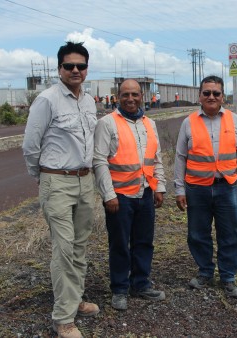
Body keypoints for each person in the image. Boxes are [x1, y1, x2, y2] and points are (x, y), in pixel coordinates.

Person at [22, 41, 98, 338]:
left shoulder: (89, 101)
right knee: (64, 248)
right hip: (57, 181)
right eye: (69, 66)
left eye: (81, 65)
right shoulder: (47, 100)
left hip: (84, 180)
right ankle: (63, 319)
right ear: (59, 69)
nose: (75, 70)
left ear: (86, 69)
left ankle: (75, 300)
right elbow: (30, 145)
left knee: (79, 247)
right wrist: (42, 177)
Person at [173, 75, 237, 298]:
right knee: (198, 234)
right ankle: (205, 271)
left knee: (230, 233)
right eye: (206, 93)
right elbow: (180, 157)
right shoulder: (188, 122)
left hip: (227, 186)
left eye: (216, 93)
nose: (211, 97)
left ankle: (228, 277)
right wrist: (179, 189)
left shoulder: (234, 120)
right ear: (199, 96)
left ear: (222, 97)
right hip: (196, 188)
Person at [93, 79, 167, 311]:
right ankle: (120, 289)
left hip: (145, 193)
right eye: (125, 95)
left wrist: (159, 187)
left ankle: (141, 283)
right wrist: (108, 194)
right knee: (119, 244)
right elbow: (99, 161)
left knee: (144, 242)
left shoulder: (150, 124)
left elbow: (156, 158)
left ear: (142, 96)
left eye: (135, 94)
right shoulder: (107, 124)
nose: (130, 99)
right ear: (117, 97)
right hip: (120, 197)